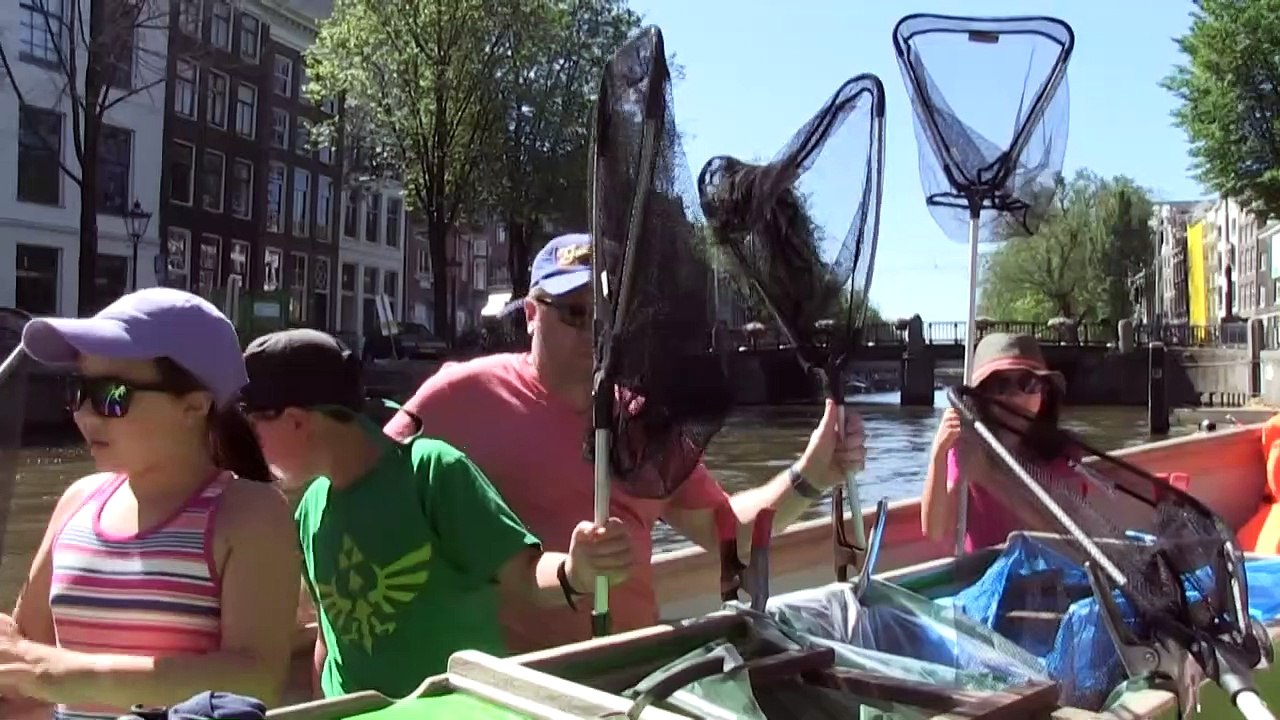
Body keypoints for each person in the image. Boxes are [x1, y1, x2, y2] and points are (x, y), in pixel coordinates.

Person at [384, 233, 866, 653]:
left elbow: (727, 536)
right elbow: (359, 479)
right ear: (531, 313)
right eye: (574, 312)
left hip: (637, 667)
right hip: (520, 683)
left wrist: (812, 474)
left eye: (604, 315)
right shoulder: (462, 396)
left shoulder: (643, 419)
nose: (592, 331)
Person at [237, 328, 634, 699]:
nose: (251, 448)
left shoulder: (431, 473)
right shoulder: (310, 509)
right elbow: (329, 642)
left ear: (296, 421)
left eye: (254, 431)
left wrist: (578, 572)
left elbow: (526, 576)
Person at [0, 288, 300, 720]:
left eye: (112, 396)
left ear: (194, 406)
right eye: (77, 390)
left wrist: (55, 672)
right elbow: (25, 657)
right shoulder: (77, 501)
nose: (83, 415)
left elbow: (255, 679)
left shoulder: (249, 514)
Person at [920, 332, 1071, 551]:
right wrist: (938, 453)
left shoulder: (1063, 452)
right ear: (981, 398)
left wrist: (988, 477)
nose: (1015, 397)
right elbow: (935, 531)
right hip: (983, 576)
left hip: (1052, 575)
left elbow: (1066, 535)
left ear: (1044, 393)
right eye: (1000, 386)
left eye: (1028, 384)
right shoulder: (966, 447)